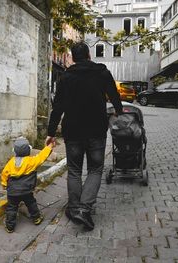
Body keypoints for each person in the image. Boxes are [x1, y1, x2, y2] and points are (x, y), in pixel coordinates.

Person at [45, 42, 123, 230]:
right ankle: (84, 209)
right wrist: (118, 111)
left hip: (73, 131)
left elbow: (58, 107)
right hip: (96, 130)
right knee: (95, 169)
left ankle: (73, 207)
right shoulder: (102, 72)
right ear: (88, 55)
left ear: (72, 57)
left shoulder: (66, 77)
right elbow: (114, 96)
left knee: (74, 170)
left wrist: (50, 132)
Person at [1, 136, 54, 233]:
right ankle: (37, 218)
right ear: (29, 150)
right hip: (27, 191)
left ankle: (10, 227)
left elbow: (4, 174)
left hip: (12, 192)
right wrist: (49, 146)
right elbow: (42, 156)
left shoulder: (11, 162)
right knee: (31, 204)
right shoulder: (32, 161)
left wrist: (4, 184)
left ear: (15, 151)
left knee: (12, 208)